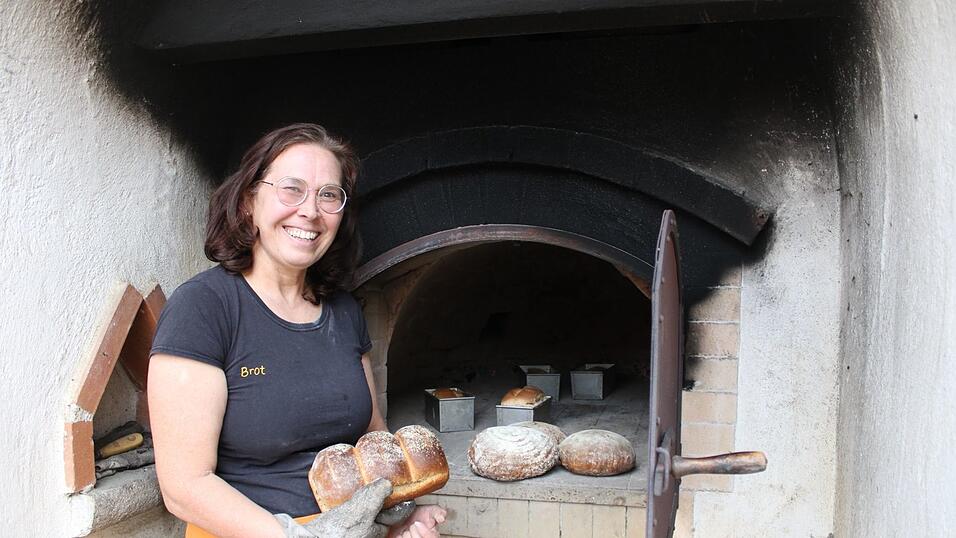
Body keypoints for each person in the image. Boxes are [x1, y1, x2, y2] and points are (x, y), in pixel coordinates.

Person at [148, 123, 446, 538]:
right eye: (292, 188)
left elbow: (372, 439)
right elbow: (184, 486)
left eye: (329, 195)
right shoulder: (203, 307)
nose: (310, 210)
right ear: (249, 201)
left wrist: (398, 517)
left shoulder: (343, 311)